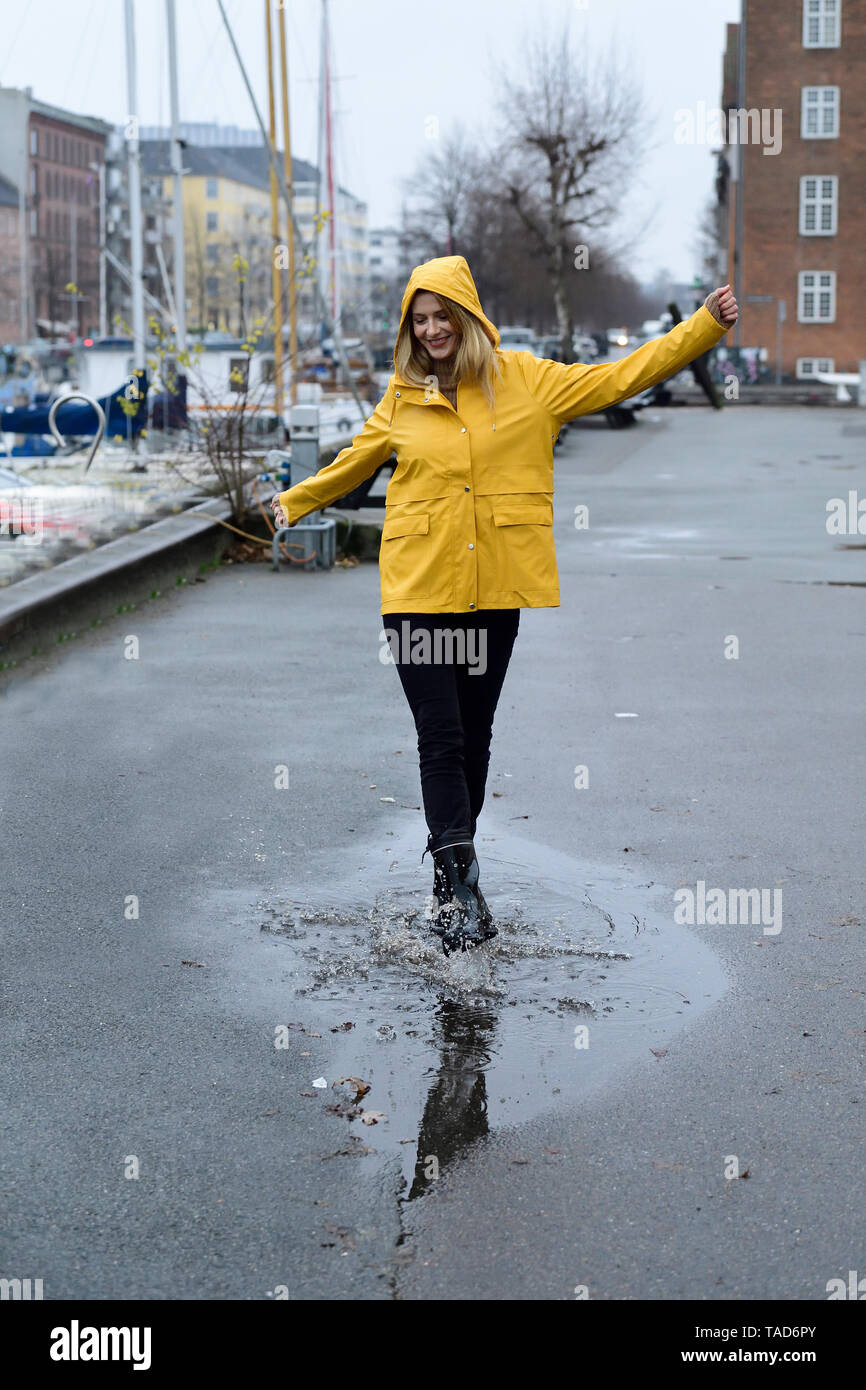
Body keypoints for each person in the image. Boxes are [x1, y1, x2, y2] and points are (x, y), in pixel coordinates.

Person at [272, 256, 738, 954]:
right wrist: (292, 501)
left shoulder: (529, 382)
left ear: (467, 316)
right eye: (419, 320)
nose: (431, 330)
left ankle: (449, 878)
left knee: (475, 734)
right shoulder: (402, 396)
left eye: (441, 316)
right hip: (419, 589)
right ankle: (461, 885)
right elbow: (355, 464)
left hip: (494, 589)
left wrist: (700, 328)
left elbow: (623, 376)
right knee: (441, 735)